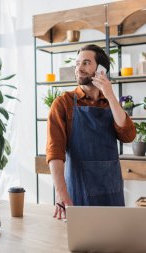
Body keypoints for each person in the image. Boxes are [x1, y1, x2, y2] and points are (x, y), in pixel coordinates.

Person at [46, 44, 136, 220]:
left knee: (115, 243)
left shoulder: (110, 103)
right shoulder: (63, 103)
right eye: (77, 63)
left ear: (101, 70)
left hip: (111, 191)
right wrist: (61, 193)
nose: (79, 68)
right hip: (78, 191)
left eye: (86, 63)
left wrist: (110, 95)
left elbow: (128, 135)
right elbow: (55, 152)